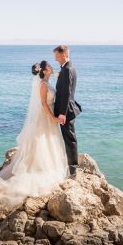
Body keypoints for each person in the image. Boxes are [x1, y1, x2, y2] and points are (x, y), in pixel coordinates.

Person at [0, 59, 69, 208]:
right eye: (49, 66)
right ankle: (38, 168)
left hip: (47, 116)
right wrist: (52, 118)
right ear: (44, 71)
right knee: (42, 142)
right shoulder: (43, 85)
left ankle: (47, 166)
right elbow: (44, 104)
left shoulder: (47, 82)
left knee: (49, 141)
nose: (52, 67)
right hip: (44, 117)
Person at [53, 44, 81, 178]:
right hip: (67, 109)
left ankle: (73, 168)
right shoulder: (68, 68)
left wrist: (62, 113)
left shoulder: (67, 70)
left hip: (67, 111)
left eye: (57, 56)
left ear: (64, 54)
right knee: (69, 137)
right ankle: (71, 165)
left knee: (70, 138)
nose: (56, 59)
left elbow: (66, 93)